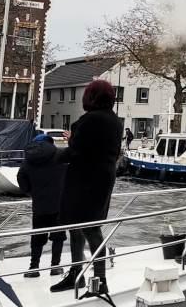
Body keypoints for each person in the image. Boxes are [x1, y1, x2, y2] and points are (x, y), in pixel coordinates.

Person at [50, 80, 122, 294]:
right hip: (103, 176)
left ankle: (95, 280)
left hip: (85, 178)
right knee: (83, 225)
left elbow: (76, 151)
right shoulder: (115, 121)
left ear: (90, 97)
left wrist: (53, 156)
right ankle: (82, 276)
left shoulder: (90, 119)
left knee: (87, 227)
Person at [17, 134, 67, 278]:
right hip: (59, 203)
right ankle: (55, 267)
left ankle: (34, 268)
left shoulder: (28, 161)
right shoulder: (60, 154)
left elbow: (22, 182)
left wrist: (32, 191)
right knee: (58, 236)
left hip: (40, 204)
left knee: (38, 236)